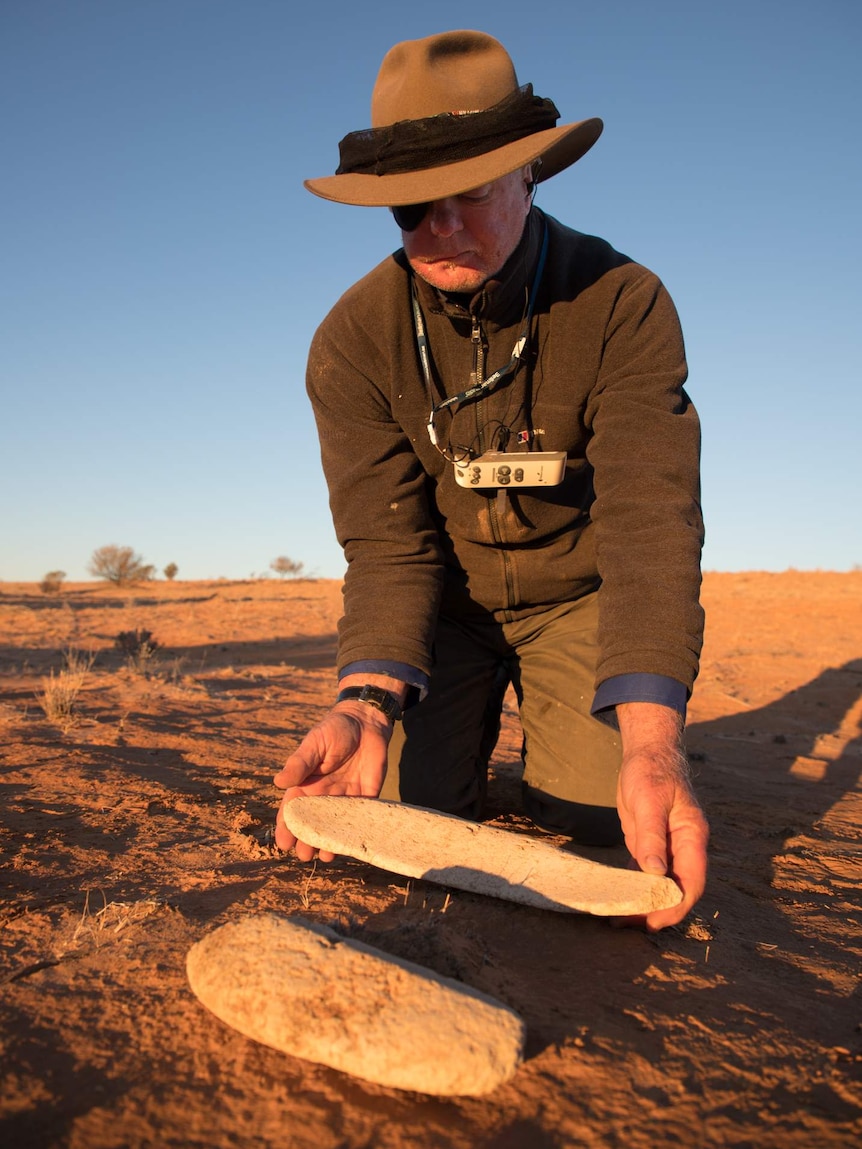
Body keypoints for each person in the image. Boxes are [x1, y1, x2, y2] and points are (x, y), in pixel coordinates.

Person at [275, 30, 708, 929]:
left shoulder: (623, 301)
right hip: (447, 610)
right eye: (412, 209)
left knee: (603, 821)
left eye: (471, 192)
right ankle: (453, 740)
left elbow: (649, 521)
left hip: (578, 598)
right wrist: (364, 703)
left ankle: (570, 746)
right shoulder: (352, 340)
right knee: (394, 815)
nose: (444, 229)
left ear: (528, 176)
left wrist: (655, 740)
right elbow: (389, 543)